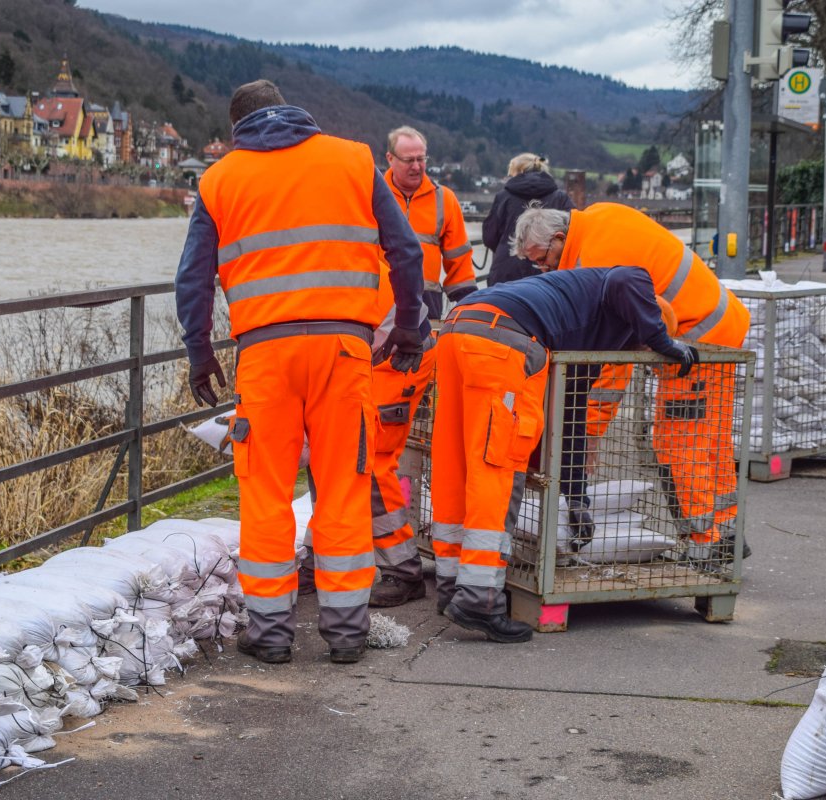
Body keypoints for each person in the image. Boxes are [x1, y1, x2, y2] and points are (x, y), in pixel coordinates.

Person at [175, 79, 425, 666]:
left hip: (265, 355)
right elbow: (405, 252)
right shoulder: (353, 159)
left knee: (265, 493)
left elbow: (193, 278)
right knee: (342, 487)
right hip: (345, 350)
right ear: (290, 110)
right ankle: (345, 632)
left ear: (239, 129)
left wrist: (198, 350)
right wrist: (410, 326)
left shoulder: (220, 178)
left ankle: (270, 633)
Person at [432, 266, 698, 643]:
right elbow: (629, 279)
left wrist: (577, 497)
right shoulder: (627, 288)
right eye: (645, 348)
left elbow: (570, 419)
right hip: (503, 344)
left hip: (459, 328)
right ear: (643, 323)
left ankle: (451, 586)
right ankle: (479, 600)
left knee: (455, 462)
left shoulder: (580, 317)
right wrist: (665, 343)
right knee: (498, 469)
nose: (638, 356)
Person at [511, 202, 751, 562]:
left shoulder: (596, 258)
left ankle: (704, 543)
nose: (542, 268)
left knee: (677, 443)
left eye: (542, 259)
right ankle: (726, 531)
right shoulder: (600, 217)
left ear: (560, 238)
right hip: (719, 326)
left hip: (695, 341)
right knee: (711, 436)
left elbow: (611, 363)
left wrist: (587, 433)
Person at [301, 263, 437, 609]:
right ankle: (321, 557)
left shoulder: (336, 257)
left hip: (394, 358)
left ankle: (404, 569)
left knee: (372, 462)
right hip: (358, 355)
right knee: (329, 458)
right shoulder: (322, 252)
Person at [383, 126, 477, 318]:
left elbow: (459, 257)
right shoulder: (372, 195)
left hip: (426, 304)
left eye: (421, 159)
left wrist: (469, 305)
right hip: (379, 301)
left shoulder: (445, 199)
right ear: (390, 159)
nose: (416, 167)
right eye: (409, 160)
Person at [482, 153, 575, 286]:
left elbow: (490, 237)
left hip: (506, 272)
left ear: (517, 171)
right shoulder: (560, 197)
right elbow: (573, 233)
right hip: (549, 274)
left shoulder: (503, 196)